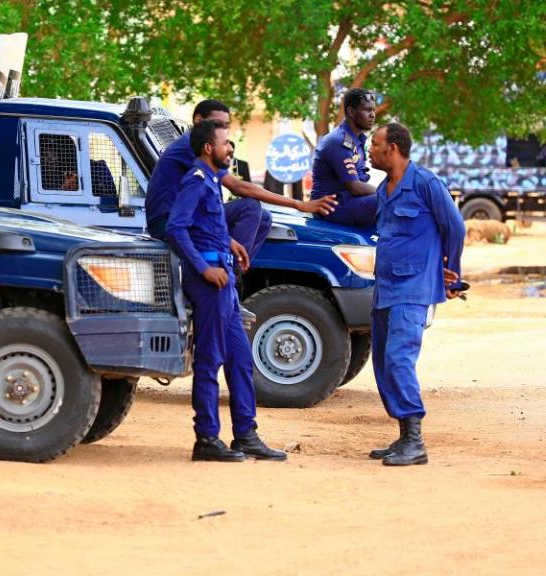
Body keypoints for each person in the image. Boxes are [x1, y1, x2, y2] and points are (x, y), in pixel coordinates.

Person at [165, 120, 287, 462]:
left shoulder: (214, 181)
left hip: (225, 282)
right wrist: (204, 268)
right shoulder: (196, 180)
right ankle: (206, 438)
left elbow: (209, 226)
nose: (230, 148)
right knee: (210, 360)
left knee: (240, 359)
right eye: (226, 143)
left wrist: (230, 244)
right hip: (210, 284)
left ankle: (245, 435)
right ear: (208, 148)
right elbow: (176, 227)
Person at [366, 122, 466, 466]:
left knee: (398, 358)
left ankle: (415, 441)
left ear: (392, 148)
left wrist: (451, 274)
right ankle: (402, 436)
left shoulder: (425, 183)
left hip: (413, 288)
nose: (370, 149)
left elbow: (454, 226)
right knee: (382, 363)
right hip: (385, 288)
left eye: (374, 144)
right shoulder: (384, 189)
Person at [146, 100, 336, 266]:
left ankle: (235, 272)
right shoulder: (193, 145)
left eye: (226, 126)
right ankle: (226, 272)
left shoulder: (201, 145)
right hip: (170, 223)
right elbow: (238, 187)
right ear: (198, 121)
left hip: (189, 219)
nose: (222, 131)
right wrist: (298, 204)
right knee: (251, 208)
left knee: (264, 218)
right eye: (216, 124)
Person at [311, 88, 378, 228]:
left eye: (373, 110)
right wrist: (388, 191)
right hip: (330, 207)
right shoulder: (338, 141)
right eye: (367, 110)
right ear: (351, 112)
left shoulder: (356, 139)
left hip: (348, 201)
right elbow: (355, 187)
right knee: (389, 200)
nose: (372, 115)